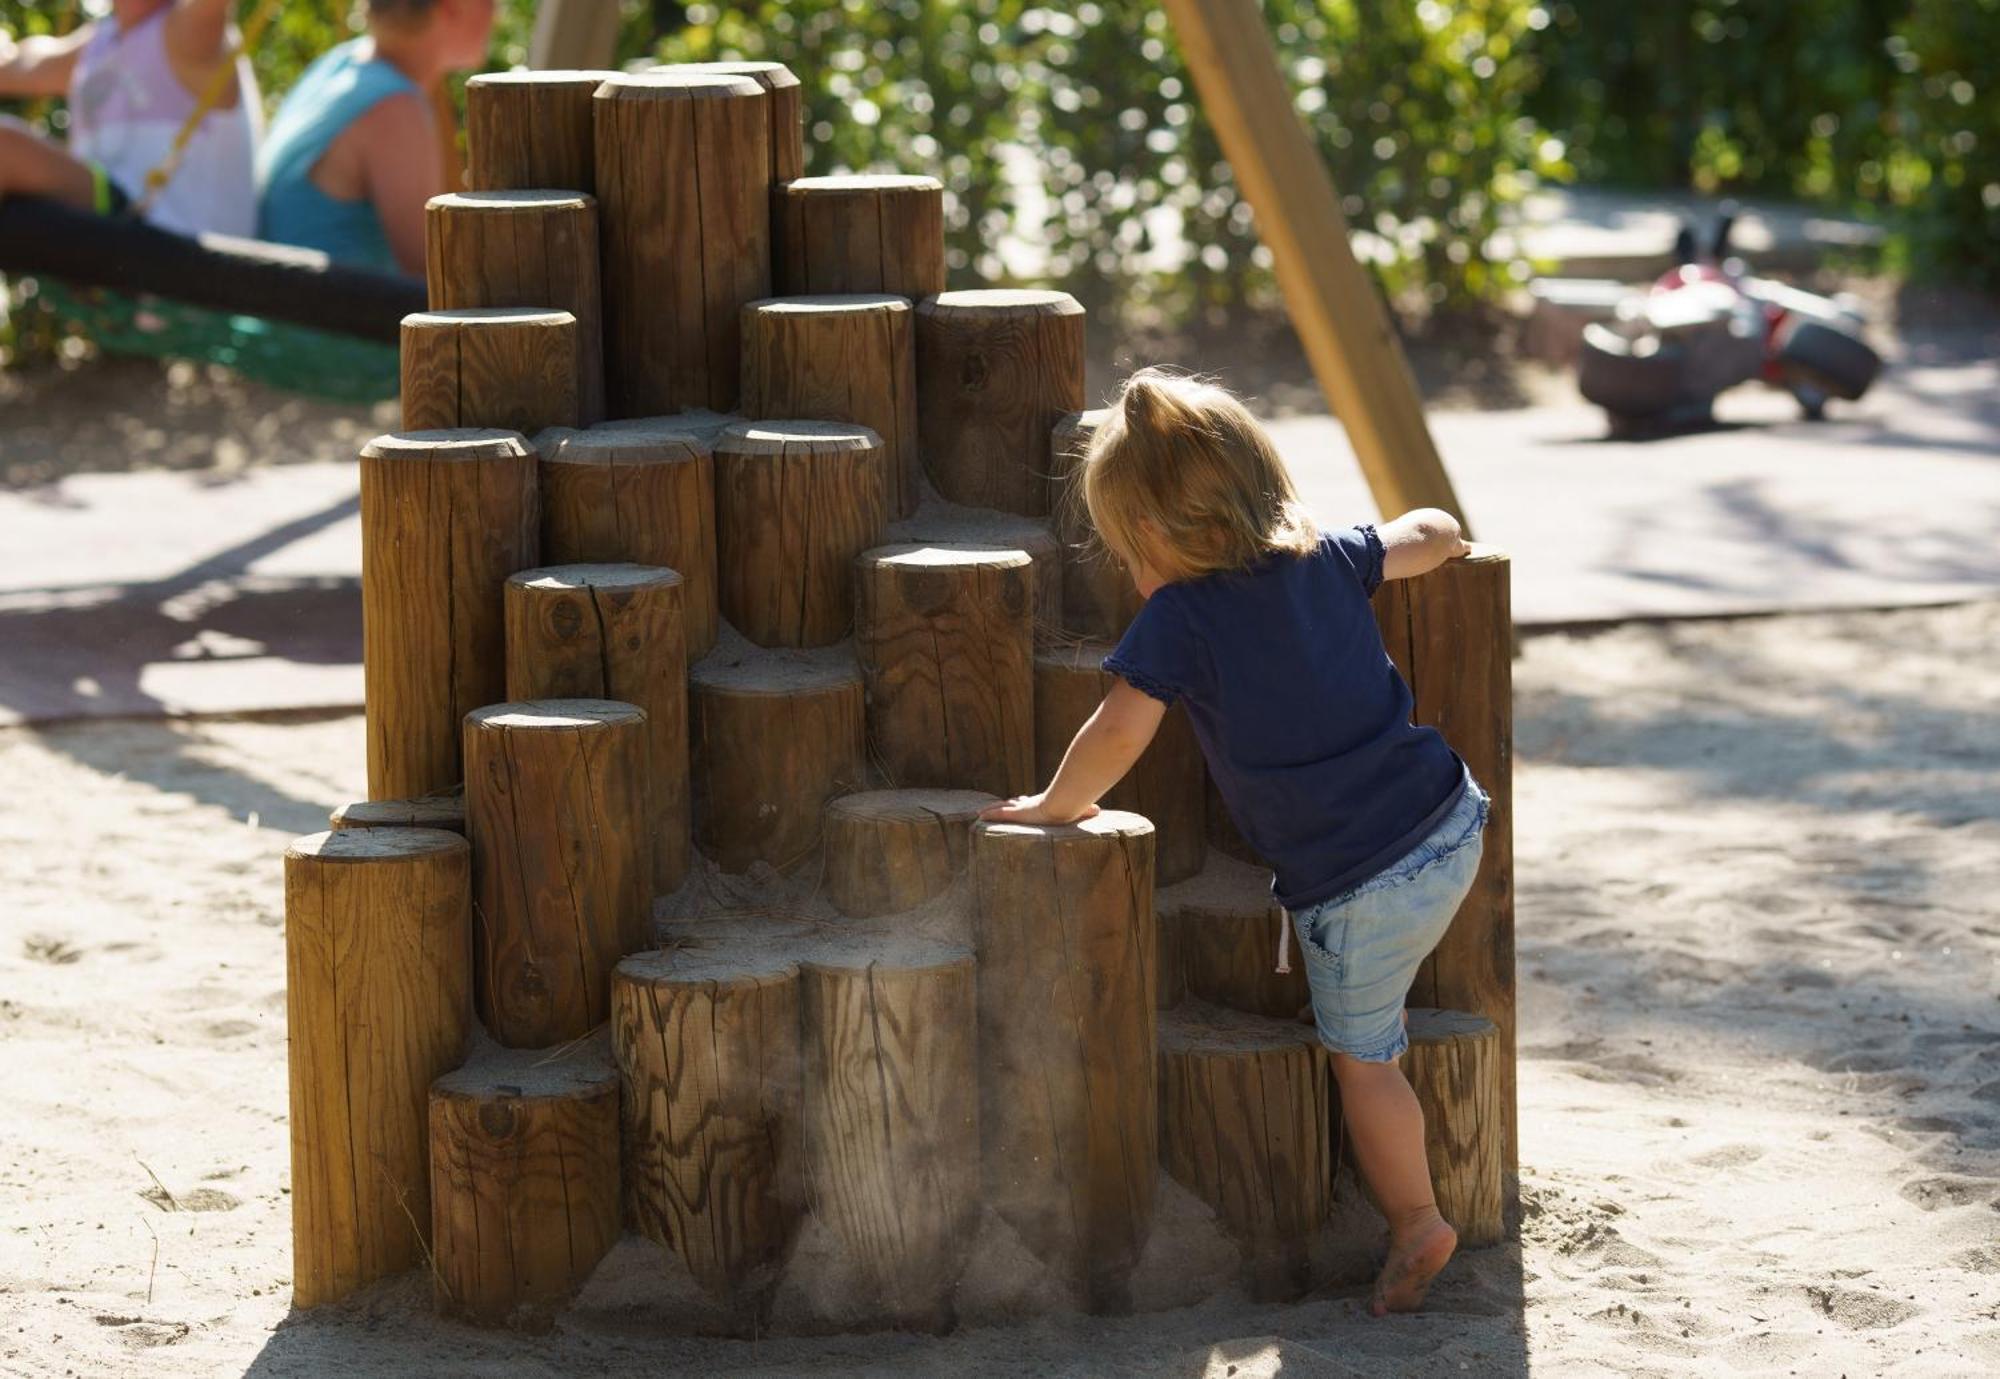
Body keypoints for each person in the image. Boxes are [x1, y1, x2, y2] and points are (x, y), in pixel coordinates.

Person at [982, 367, 1483, 1316]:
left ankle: (1417, 1219)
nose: (1132, 573)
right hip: (1452, 819)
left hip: (1359, 881)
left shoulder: (1181, 617)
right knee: (1385, 992)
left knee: (1364, 1059)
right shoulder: (1327, 554)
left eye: (1129, 549)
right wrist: (1449, 535)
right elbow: (1421, 535)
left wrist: (1058, 801)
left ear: (1157, 538)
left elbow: (1120, 731)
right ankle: (1396, 1027)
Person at [257, 0, 493, 274]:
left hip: (284, 302)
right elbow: (439, 276)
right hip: (317, 313)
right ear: (450, 7)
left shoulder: (343, 62)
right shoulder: (394, 110)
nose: (496, 12)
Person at [0, 0, 259, 237]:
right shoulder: (96, 45)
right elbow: (18, 65)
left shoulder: (190, 32)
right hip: (109, 231)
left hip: (173, 250)